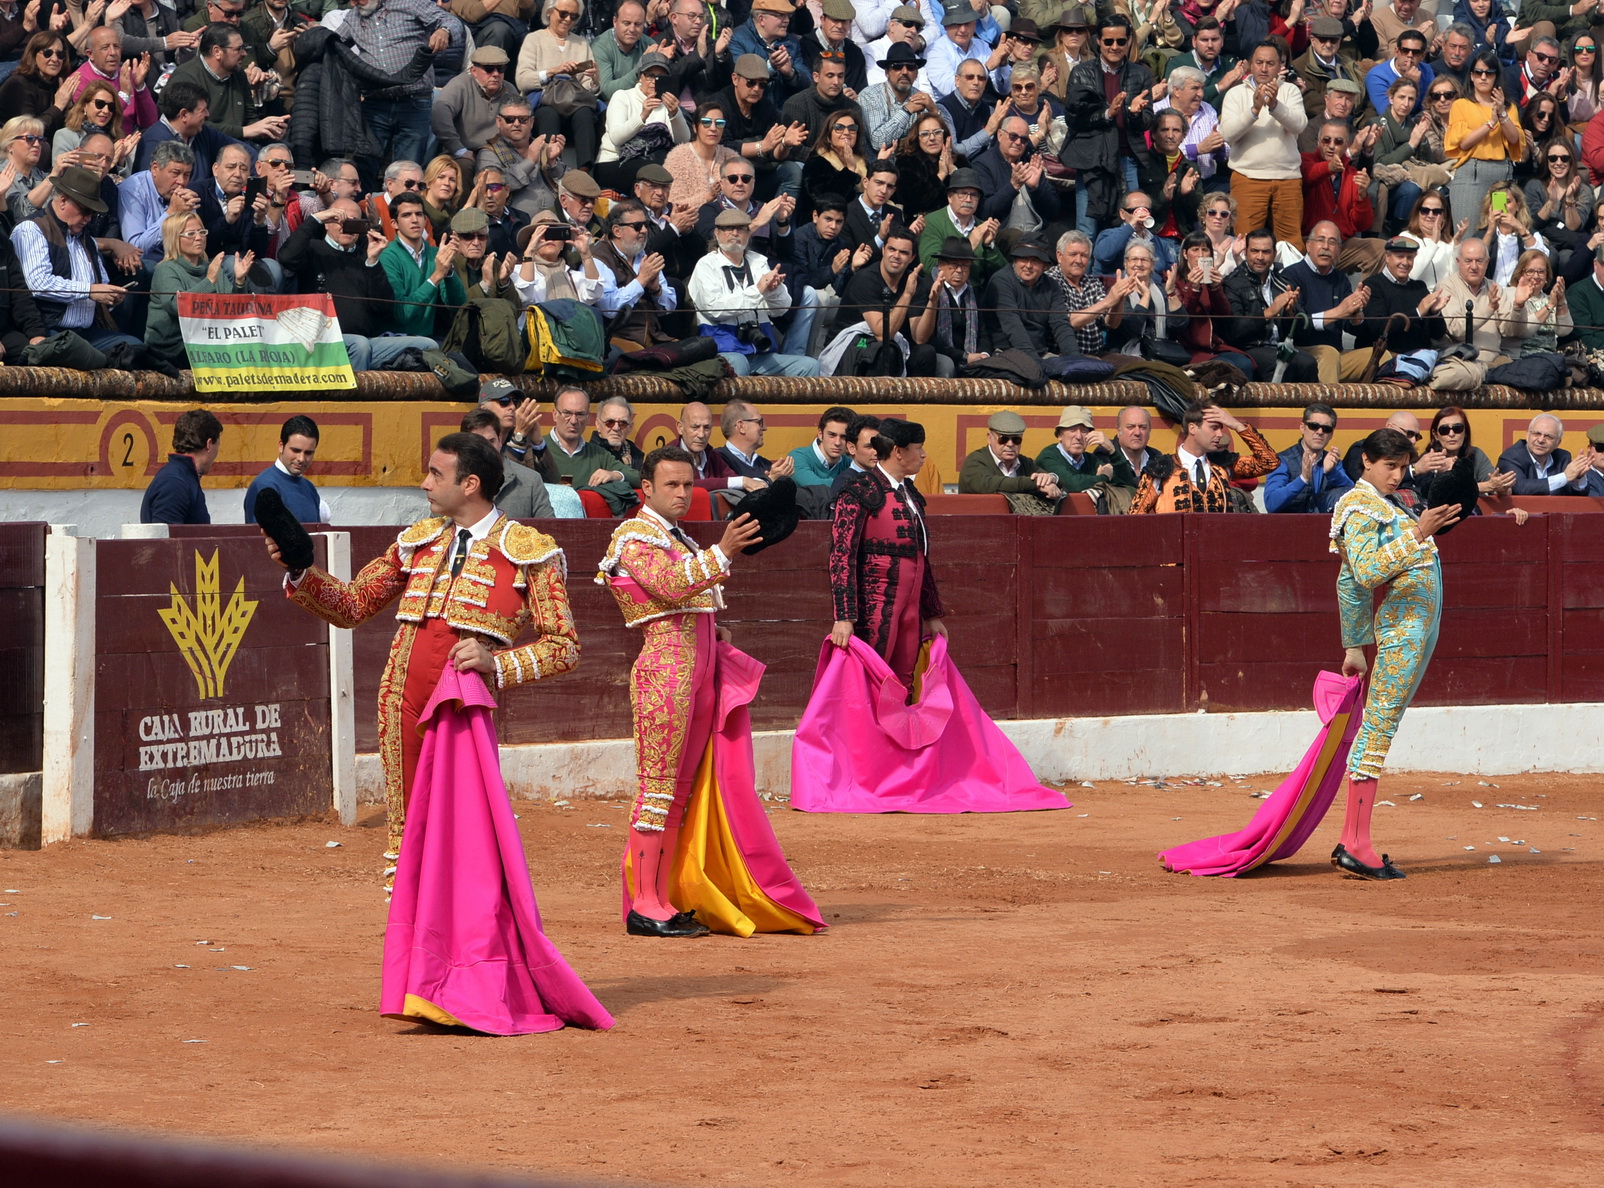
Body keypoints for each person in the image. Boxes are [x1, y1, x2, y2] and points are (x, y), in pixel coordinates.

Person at [271, 431, 578, 874]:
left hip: (462, 710)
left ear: (469, 484)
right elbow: (354, 604)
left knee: (465, 834)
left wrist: (498, 662)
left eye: (436, 474)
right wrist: (300, 570)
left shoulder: (530, 551)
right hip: (402, 702)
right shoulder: (418, 541)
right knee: (406, 834)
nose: (425, 484)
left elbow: (564, 647)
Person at [598, 446, 823, 938]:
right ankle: (644, 903)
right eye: (671, 486)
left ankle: (661, 897)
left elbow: (687, 596)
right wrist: (724, 550)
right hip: (665, 674)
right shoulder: (633, 535)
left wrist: (713, 629)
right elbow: (669, 586)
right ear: (647, 490)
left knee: (678, 791)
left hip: (695, 672)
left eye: (687, 485)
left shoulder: (673, 536)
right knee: (658, 789)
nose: (682, 494)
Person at [1330, 428, 1462, 880]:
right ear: (1366, 460)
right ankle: (1357, 844)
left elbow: (1348, 582)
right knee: (1380, 725)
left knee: (1382, 722)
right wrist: (1421, 532)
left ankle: (1352, 839)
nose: (1398, 474)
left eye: (1404, 466)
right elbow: (1363, 573)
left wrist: (1353, 646)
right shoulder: (1357, 503)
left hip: (1417, 628)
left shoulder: (1390, 502)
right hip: (1403, 630)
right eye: (1390, 465)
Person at [827, 417, 944, 686]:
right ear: (899, 452)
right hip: (874, 607)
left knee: (903, 680)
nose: (924, 455)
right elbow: (841, 554)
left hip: (911, 610)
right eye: (918, 448)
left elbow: (920, 557)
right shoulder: (860, 489)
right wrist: (844, 616)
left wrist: (932, 614)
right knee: (871, 678)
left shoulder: (911, 493)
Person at [277, 199, 437, 372]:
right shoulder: (313, 249)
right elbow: (286, 257)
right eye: (338, 220)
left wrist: (373, 262)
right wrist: (316, 218)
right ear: (326, 224)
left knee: (427, 345)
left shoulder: (366, 256)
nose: (346, 227)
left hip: (367, 341)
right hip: (323, 342)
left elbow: (383, 306)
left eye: (353, 222)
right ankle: (351, 398)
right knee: (359, 345)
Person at [11, 165, 144, 351]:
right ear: (63, 201)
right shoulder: (31, 229)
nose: (89, 219)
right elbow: (37, 283)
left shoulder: (86, 239)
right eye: (85, 211)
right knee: (83, 354)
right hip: (48, 329)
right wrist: (90, 290)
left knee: (136, 349)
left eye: (92, 213)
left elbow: (101, 282)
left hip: (89, 331)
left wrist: (110, 296)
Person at [689, 206, 820, 376]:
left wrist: (774, 290)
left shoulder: (758, 262)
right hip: (723, 351)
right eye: (728, 228)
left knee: (810, 365)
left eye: (741, 229)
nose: (735, 233)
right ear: (716, 233)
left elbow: (780, 310)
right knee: (739, 361)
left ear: (748, 234)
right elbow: (715, 309)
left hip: (761, 352)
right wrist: (758, 290)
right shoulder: (706, 265)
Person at [1062, 14, 1153, 235]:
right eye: (1108, 41)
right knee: (1087, 227)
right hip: (1092, 160)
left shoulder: (1140, 74)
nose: (1115, 47)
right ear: (1098, 42)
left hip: (1126, 158)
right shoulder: (1081, 73)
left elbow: (1146, 121)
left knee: (1133, 225)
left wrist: (1133, 113)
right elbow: (1073, 119)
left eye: (1121, 41)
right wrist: (1107, 114)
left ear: (1129, 41)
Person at [1220, 37, 1307, 248]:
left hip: (1287, 178)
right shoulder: (1235, 93)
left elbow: (1299, 125)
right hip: (1248, 177)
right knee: (1245, 242)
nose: (1264, 68)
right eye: (1259, 62)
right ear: (1250, 64)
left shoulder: (1290, 91)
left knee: (1291, 245)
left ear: (1280, 66)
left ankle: (1288, 281)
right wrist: (1254, 110)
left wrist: (1275, 105)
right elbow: (1228, 133)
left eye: (1270, 63)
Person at [145, 210, 254, 368]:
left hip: (209, 341)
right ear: (175, 239)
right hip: (173, 348)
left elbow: (233, 311)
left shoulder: (211, 268)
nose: (199, 237)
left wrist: (239, 281)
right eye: (190, 234)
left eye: (202, 232)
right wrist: (209, 281)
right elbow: (177, 307)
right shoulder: (166, 270)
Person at [829, 222, 938, 376]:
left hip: (891, 347)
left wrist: (933, 301)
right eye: (892, 249)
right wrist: (907, 295)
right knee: (886, 351)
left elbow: (919, 338)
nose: (896, 256)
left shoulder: (915, 282)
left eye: (903, 252)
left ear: (912, 257)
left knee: (925, 352)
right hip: (853, 346)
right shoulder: (865, 279)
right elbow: (882, 334)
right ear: (883, 250)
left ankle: (913, 400)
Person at [1130, 403, 1278, 514]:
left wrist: (1237, 425)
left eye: (1222, 428)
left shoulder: (1222, 464)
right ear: (1193, 428)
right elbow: (1136, 516)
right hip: (1174, 550)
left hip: (1217, 550)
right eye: (1214, 428)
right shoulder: (1161, 468)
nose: (1220, 434)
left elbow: (1270, 462)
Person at [1222, 226, 1320, 381]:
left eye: (1266, 252)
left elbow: (1303, 334)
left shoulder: (1283, 283)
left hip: (1281, 346)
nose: (1260, 257)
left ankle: (1311, 406)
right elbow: (1234, 331)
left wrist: (1290, 313)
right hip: (1250, 348)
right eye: (1254, 251)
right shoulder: (1232, 283)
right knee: (1282, 364)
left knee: (1308, 363)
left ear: (1274, 254)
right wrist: (1269, 312)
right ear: (1245, 252)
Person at [1445, 48, 1523, 238]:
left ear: (1496, 76)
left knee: (1499, 234)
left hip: (1500, 177)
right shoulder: (1461, 104)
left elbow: (1514, 139)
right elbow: (1463, 143)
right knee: (1468, 236)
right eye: (1478, 72)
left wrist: (1502, 114)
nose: (1483, 77)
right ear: (1471, 76)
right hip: (1472, 173)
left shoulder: (1508, 106)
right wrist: (1490, 123)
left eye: (1489, 73)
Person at [1282, 220, 1373, 383]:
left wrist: (1356, 313)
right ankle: (1327, 407)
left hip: (1336, 356)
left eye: (1332, 242)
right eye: (1320, 240)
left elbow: (1351, 327)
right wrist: (1339, 311)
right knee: (1329, 353)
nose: (1326, 247)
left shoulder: (1341, 279)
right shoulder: (1291, 275)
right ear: (1308, 245)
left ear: (1339, 250)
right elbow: (1300, 325)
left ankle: (1371, 407)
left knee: (1381, 356)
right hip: (1302, 354)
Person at [167, 22, 286, 145]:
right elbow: (194, 125)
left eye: (244, 47)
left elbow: (250, 119)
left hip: (239, 146)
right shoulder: (186, 78)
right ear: (217, 51)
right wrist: (243, 131)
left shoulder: (237, 73)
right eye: (238, 49)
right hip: (202, 148)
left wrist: (267, 129)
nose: (244, 53)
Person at [1167, 230, 1259, 376]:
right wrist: (1194, 288)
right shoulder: (1176, 280)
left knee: (1244, 363)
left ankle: (1243, 400)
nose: (1201, 255)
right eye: (1195, 250)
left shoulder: (1212, 278)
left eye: (1205, 250)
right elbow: (1182, 320)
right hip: (1188, 347)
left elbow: (1225, 314)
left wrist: (1215, 288)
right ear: (1185, 254)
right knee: (1228, 367)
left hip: (1214, 346)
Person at [597, 49, 690, 193]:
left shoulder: (667, 103)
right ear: (640, 77)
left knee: (675, 163)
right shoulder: (622, 96)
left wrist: (675, 114)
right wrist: (642, 116)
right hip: (614, 162)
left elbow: (683, 140)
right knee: (656, 168)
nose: (654, 82)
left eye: (661, 77)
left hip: (653, 161)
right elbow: (616, 138)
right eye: (650, 76)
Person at [1352, 234, 1451, 368]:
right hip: (1387, 360)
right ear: (1387, 257)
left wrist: (1434, 313)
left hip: (1421, 359)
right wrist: (1417, 312)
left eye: (1410, 258)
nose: (1405, 262)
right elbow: (1377, 328)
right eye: (1400, 257)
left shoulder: (1419, 287)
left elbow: (1438, 334)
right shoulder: (1372, 285)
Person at [379, 189, 462, 341]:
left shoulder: (436, 253)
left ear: (425, 219)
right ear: (394, 223)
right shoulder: (387, 256)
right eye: (406, 215)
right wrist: (437, 276)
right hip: (396, 339)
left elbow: (458, 306)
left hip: (430, 339)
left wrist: (448, 271)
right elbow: (402, 314)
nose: (414, 220)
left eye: (419, 214)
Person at [1301, 120, 1383, 271]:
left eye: (1338, 141)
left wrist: (1362, 196)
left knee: (1381, 249)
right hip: (1310, 243)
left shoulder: (1352, 175)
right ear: (1318, 142)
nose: (1331, 146)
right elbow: (1311, 175)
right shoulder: (1306, 161)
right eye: (1326, 140)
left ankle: (1365, 294)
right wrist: (1332, 166)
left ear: (1346, 144)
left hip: (1341, 245)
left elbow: (1361, 225)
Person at [984, 238, 1079, 358]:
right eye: (1024, 259)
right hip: (1004, 353)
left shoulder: (1052, 286)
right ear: (1015, 260)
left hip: (1040, 353)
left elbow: (1060, 324)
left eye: (1035, 261)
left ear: (1045, 266)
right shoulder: (1001, 281)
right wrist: (1035, 363)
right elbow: (1012, 325)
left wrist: (1074, 358)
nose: (1028, 266)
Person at [460, 407, 555, 520]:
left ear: (500, 440)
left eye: (491, 441)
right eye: (479, 443)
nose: (487, 449)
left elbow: (550, 530)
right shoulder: (452, 480)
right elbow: (438, 529)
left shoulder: (530, 481)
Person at [431, 46, 522, 163]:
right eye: (489, 69)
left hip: (500, 151)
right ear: (474, 71)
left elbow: (523, 121)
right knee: (463, 166)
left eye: (500, 69)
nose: (495, 74)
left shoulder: (510, 89)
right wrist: (458, 149)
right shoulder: (460, 85)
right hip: (467, 150)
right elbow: (439, 112)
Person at [1262, 401, 1355, 514]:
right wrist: (1302, 479)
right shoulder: (1282, 460)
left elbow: (1352, 495)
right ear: (1302, 427)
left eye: (1326, 429)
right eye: (1314, 426)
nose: (1320, 432)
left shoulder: (1333, 462)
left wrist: (1331, 473)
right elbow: (1271, 503)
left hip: (1324, 527)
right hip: (1289, 527)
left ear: (1331, 434)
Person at [916, 166, 1002, 286]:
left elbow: (1000, 274)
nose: (968, 199)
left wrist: (989, 246)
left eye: (974, 195)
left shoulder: (982, 226)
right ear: (950, 197)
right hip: (941, 291)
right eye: (962, 194)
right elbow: (929, 266)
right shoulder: (932, 222)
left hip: (975, 294)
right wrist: (968, 247)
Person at [920, 235, 992, 376]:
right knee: (946, 365)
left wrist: (983, 354)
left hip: (972, 356)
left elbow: (984, 331)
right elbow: (927, 337)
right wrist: (963, 356)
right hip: (940, 355)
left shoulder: (973, 292)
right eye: (953, 265)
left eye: (965, 265)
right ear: (941, 264)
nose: (959, 270)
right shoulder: (926, 287)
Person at [958, 409, 1064, 503]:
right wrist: (1034, 483)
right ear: (989, 438)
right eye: (1003, 439)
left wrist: (1051, 478)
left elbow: (1060, 483)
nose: (1010, 444)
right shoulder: (974, 462)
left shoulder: (1025, 463)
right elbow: (992, 485)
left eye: (1016, 439)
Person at [1048, 229, 1126, 356]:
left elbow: (1112, 324)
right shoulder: (1050, 281)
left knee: (1140, 366)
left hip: (1097, 354)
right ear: (1059, 256)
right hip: (1061, 356)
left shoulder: (1093, 282)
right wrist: (1107, 301)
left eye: (1084, 256)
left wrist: (1119, 298)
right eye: (1073, 254)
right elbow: (1068, 322)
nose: (1078, 260)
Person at [1415, 404, 1514, 504]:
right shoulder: (1428, 459)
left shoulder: (1476, 454)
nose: (1451, 434)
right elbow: (1437, 491)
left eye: (1457, 428)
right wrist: (1487, 486)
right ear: (1436, 435)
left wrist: (1502, 488)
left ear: (1465, 432)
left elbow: (1497, 486)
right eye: (1444, 430)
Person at [243, 415, 332, 525]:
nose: (301, 459)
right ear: (281, 446)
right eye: (295, 450)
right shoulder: (264, 486)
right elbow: (259, 538)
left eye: (308, 453)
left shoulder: (309, 488)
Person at [140, 408, 222, 525]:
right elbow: (166, 540)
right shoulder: (174, 483)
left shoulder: (179, 477)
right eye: (217, 445)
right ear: (209, 444)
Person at [546, 384, 636, 489]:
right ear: (554, 415)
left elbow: (637, 477)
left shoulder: (597, 454)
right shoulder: (538, 448)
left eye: (580, 414)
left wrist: (615, 475)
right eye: (567, 413)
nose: (573, 421)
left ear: (588, 418)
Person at [676, 399, 764, 493]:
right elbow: (689, 484)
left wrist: (766, 480)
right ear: (680, 428)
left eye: (707, 428)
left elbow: (734, 478)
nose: (701, 435)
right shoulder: (669, 457)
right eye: (695, 427)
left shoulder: (713, 456)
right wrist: (742, 481)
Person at [1524, 138, 1591, 262]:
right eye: (1553, 158)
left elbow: (1574, 227)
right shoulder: (1534, 185)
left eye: (1564, 158)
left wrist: (1570, 198)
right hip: (1542, 240)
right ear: (1547, 161)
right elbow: (1534, 223)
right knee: (1550, 256)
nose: (1558, 162)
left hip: (1568, 241)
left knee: (1567, 257)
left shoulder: (1583, 190)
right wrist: (1551, 201)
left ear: (1571, 161)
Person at [1033, 405, 1121, 495]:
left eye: (1083, 430)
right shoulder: (1048, 456)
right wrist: (1104, 477)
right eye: (1072, 430)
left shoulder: (1091, 459)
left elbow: (1125, 483)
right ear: (1059, 435)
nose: (1078, 436)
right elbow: (1073, 485)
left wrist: (1112, 450)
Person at [1496, 412, 1591, 494]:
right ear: (1527, 436)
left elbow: (1574, 495)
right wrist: (1564, 477)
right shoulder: (1511, 457)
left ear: (1557, 443)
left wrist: (1578, 478)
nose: (1541, 440)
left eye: (1548, 436)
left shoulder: (1562, 457)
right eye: (1536, 434)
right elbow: (1520, 488)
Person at [1500, 248, 1572, 356]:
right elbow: (1523, 331)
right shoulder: (1508, 295)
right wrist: (1549, 306)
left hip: (1549, 360)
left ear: (1547, 276)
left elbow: (1564, 330)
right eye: (1530, 271)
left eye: (1541, 271)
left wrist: (1561, 300)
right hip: (1519, 359)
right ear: (1520, 273)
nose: (1536, 276)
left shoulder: (1549, 298)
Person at [1093, 189, 1178, 278]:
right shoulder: (1109, 235)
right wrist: (1131, 226)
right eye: (1135, 210)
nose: (1141, 215)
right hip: (1119, 288)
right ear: (1122, 214)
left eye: (1146, 210)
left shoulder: (1160, 243)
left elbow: (1170, 273)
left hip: (1152, 288)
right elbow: (1103, 255)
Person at [717, 398, 796, 482]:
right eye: (759, 422)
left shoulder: (765, 465)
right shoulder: (717, 460)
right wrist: (770, 479)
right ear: (741, 427)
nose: (765, 428)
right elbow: (735, 492)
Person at [788, 406, 855, 487]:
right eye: (832, 435)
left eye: (843, 437)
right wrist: (854, 483)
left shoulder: (848, 463)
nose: (837, 443)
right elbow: (816, 487)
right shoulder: (797, 457)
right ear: (820, 434)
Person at [832, 411, 881, 497]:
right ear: (852, 448)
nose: (876, 452)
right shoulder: (844, 483)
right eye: (869, 446)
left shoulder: (890, 478)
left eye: (879, 445)